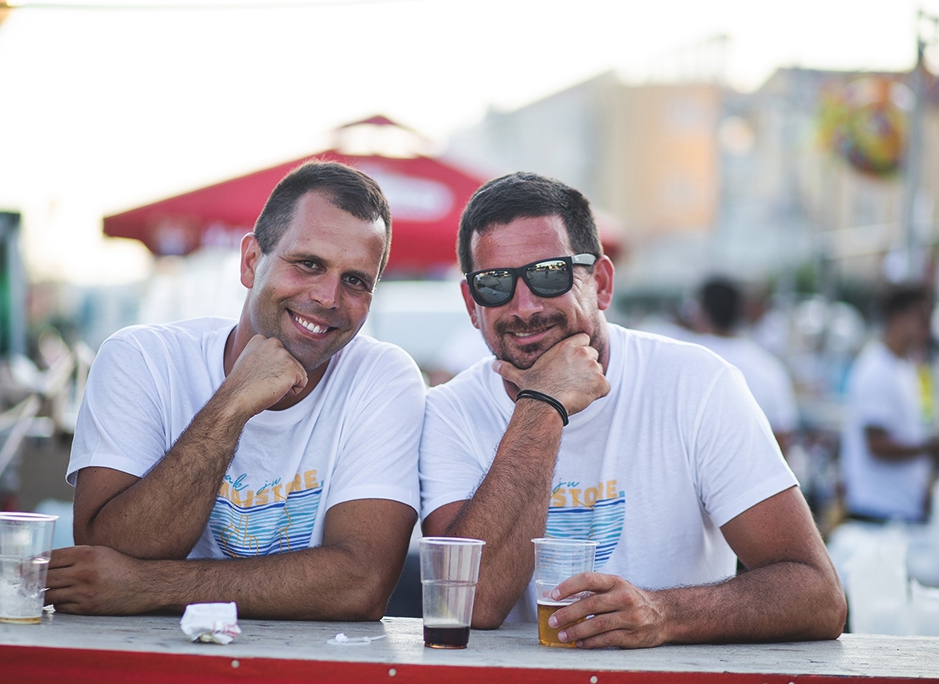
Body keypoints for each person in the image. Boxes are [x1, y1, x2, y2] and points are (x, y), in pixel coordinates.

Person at [419, 172, 846, 649]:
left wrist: (664, 613)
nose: (523, 306)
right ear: (472, 304)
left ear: (601, 284)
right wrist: (543, 404)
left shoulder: (697, 384)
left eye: (548, 274)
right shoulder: (449, 411)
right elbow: (469, 605)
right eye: (494, 284)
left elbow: (818, 594)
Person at [45, 161, 425, 618]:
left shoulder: (383, 377)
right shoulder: (142, 357)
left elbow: (361, 584)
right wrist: (232, 405)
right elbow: (108, 551)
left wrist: (149, 586)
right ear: (250, 262)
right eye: (309, 264)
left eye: (355, 281)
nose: (328, 297)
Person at [841, 284, 939, 524]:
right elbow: (877, 445)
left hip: (898, 511)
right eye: (922, 318)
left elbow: (909, 432)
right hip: (876, 512)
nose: (927, 329)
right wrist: (933, 447)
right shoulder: (876, 369)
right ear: (897, 318)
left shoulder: (907, 367)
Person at [692, 276, 799, 454]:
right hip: (753, 468)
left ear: (702, 312)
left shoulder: (686, 361)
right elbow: (783, 437)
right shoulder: (768, 366)